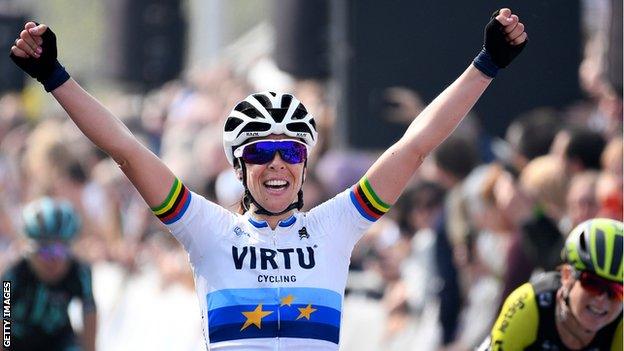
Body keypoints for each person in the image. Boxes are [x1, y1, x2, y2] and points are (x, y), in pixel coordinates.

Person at [9, 8, 527, 350]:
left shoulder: (334, 227)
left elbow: (413, 149)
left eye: (289, 151)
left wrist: (486, 66)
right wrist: (57, 77)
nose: (277, 162)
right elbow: (124, 149)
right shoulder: (207, 229)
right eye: (261, 152)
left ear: (304, 164)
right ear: (239, 167)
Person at [478, 218, 623, 350]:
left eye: (617, 291)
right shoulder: (529, 304)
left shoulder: (620, 326)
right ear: (567, 276)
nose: (602, 298)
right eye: (593, 283)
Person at [1, 197, 96, 351]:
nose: (53, 260)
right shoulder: (12, 275)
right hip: (18, 341)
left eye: (60, 251)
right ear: (29, 251)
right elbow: (3, 319)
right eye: (44, 251)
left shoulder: (80, 272)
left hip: (59, 340)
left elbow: (89, 313)